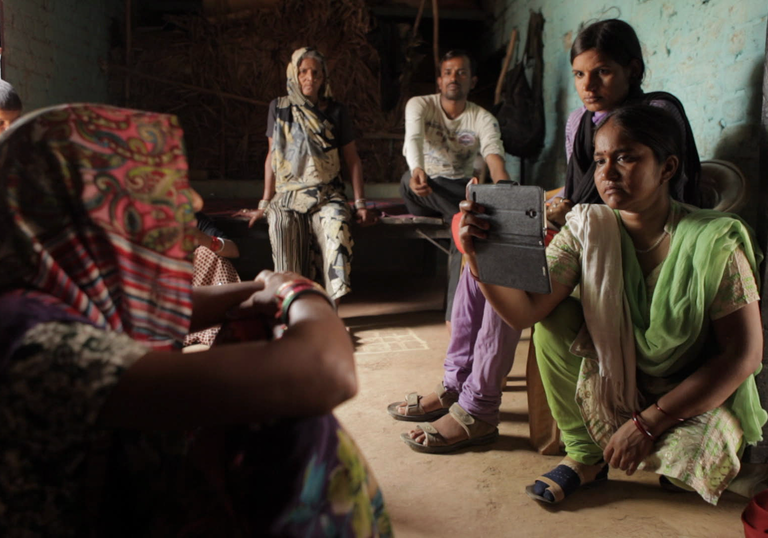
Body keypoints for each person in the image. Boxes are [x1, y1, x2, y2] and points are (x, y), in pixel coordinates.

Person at [0, 103, 391, 536]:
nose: (191, 201)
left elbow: (174, 305)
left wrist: (258, 288)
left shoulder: (36, 294)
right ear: (88, 208)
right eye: (153, 188)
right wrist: (302, 293)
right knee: (294, 422)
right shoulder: (33, 344)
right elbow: (326, 372)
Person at [389, 18, 702, 455]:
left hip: (633, 238)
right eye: (579, 74)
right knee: (483, 240)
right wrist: (538, 204)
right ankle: (455, 382)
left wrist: (565, 214)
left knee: (509, 260)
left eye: (603, 72)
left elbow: (661, 194)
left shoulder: (656, 113)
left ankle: (479, 409)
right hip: (585, 229)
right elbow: (575, 192)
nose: (588, 85)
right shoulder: (582, 122)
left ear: (633, 68)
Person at [460, 104, 765, 506]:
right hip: (616, 380)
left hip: (690, 392)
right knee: (554, 319)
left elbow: (743, 356)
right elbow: (526, 311)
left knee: (693, 463)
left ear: (667, 167)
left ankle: (649, 438)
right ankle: (586, 457)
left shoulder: (712, 242)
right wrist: (478, 257)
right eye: (601, 160)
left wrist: (648, 423)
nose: (607, 172)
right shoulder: (587, 228)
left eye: (626, 157)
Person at [242, 47, 376, 303]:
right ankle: (292, 303)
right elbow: (272, 156)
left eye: (316, 72)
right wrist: (264, 203)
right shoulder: (279, 108)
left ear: (324, 77)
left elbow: (352, 159)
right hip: (287, 195)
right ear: (294, 73)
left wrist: (360, 204)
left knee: (337, 227)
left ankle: (331, 307)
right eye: (303, 71)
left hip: (327, 194)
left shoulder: (337, 111)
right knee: (281, 224)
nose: (310, 77)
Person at [401, 49, 510, 323]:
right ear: (439, 80)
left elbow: (494, 156)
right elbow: (412, 139)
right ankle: (461, 216)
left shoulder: (482, 118)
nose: (454, 78)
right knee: (411, 183)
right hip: (422, 186)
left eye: (462, 72)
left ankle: (455, 317)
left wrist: (507, 191)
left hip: (458, 189)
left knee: (462, 225)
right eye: (448, 72)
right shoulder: (420, 105)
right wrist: (417, 170)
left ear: (472, 81)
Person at [184, 211, 242, 348]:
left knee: (209, 252)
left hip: (195, 288)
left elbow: (233, 250)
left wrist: (203, 239)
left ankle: (222, 330)